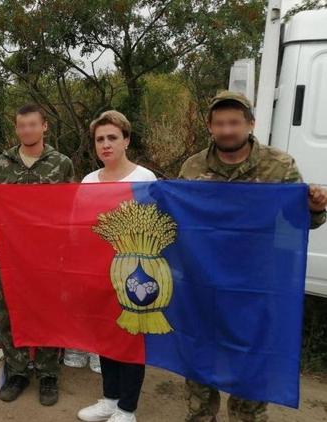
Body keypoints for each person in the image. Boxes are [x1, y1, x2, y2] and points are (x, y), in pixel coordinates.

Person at [178, 91, 327, 422]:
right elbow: (182, 219)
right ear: (210, 126)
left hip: (257, 286)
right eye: (220, 123)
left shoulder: (279, 165)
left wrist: (316, 207)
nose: (227, 130)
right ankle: (201, 417)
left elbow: (300, 221)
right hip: (205, 285)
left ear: (250, 124)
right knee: (201, 361)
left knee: (252, 365)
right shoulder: (193, 166)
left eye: (234, 122)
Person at [0, 103, 75, 406]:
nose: (26, 130)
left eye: (32, 124)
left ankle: (47, 374)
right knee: (11, 310)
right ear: (16, 129)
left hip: (50, 255)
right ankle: (17, 371)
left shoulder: (62, 163)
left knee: (49, 311)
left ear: (45, 127)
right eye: (21, 125)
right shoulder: (1, 165)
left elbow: (73, 209)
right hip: (13, 255)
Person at [76, 111, 156, 422]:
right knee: (105, 335)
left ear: (126, 140)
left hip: (136, 272)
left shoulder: (145, 179)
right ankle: (109, 399)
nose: (106, 144)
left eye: (112, 137)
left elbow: (155, 227)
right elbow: (81, 226)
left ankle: (127, 409)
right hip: (98, 272)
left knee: (131, 339)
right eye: (100, 139)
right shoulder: (88, 180)